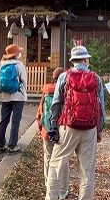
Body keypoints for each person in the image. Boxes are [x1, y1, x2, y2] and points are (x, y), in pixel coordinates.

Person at [45, 45, 105, 200]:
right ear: (86, 60)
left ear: (72, 61)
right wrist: (98, 130)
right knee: (87, 171)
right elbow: (101, 107)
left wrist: (53, 127)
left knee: (56, 165)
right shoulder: (95, 78)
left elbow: (56, 103)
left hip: (67, 126)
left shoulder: (64, 77)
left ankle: (51, 197)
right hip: (89, 129)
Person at [36, 67, 69, 200]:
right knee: (63, 160)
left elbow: (39, 112)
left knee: (48, 158)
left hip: (47, 130)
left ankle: (48, 187)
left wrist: (41, 127)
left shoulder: (46, 90)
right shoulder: (66, 91)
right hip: (62, 129)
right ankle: (63, 191)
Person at [0, 44, 27, 154]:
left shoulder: (1, 65)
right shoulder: (19, 65)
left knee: (4, 120)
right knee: (15, 121)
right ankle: (12, 146)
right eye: (19, 52)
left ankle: (0, 145)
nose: (20, 54)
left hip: (5, 97)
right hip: (18, 96)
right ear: (16, 54)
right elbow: (24, 80)